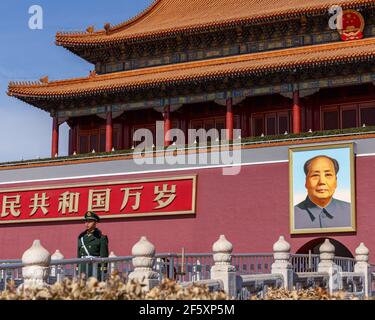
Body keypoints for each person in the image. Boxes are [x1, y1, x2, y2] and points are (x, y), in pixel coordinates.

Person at [294, 155, 351, 229]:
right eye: (315, 175)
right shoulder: (292, 215)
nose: (322, 181)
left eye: (328, 175)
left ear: (336, 181)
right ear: (306, 182)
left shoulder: (351, 211)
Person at [77, 211, 109, 280]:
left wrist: (103, 270)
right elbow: (79, 253)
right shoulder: (81, 236)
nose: (87, 223)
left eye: (90, 221)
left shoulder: (101, 237)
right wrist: (77, 267)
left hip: (94, 266)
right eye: (86, 221)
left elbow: (104, 255)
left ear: (95, 223)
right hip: (82, 266)